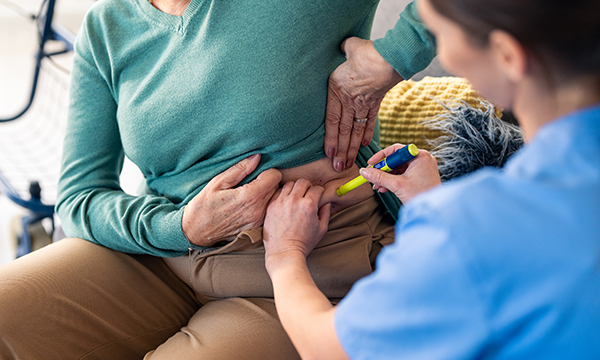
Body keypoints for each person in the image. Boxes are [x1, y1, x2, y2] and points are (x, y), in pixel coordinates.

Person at [0, 0, 438, 359]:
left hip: (304, 261)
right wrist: (182, 227)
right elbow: (78, 199)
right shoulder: (106, 28)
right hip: (161, 257)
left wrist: (396, 54)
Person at [263, 0, 600, 358]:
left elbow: (327, 348)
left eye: (440, 35)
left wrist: (285, 256)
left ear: (507, 55)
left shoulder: (471, 229)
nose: (446, 56)